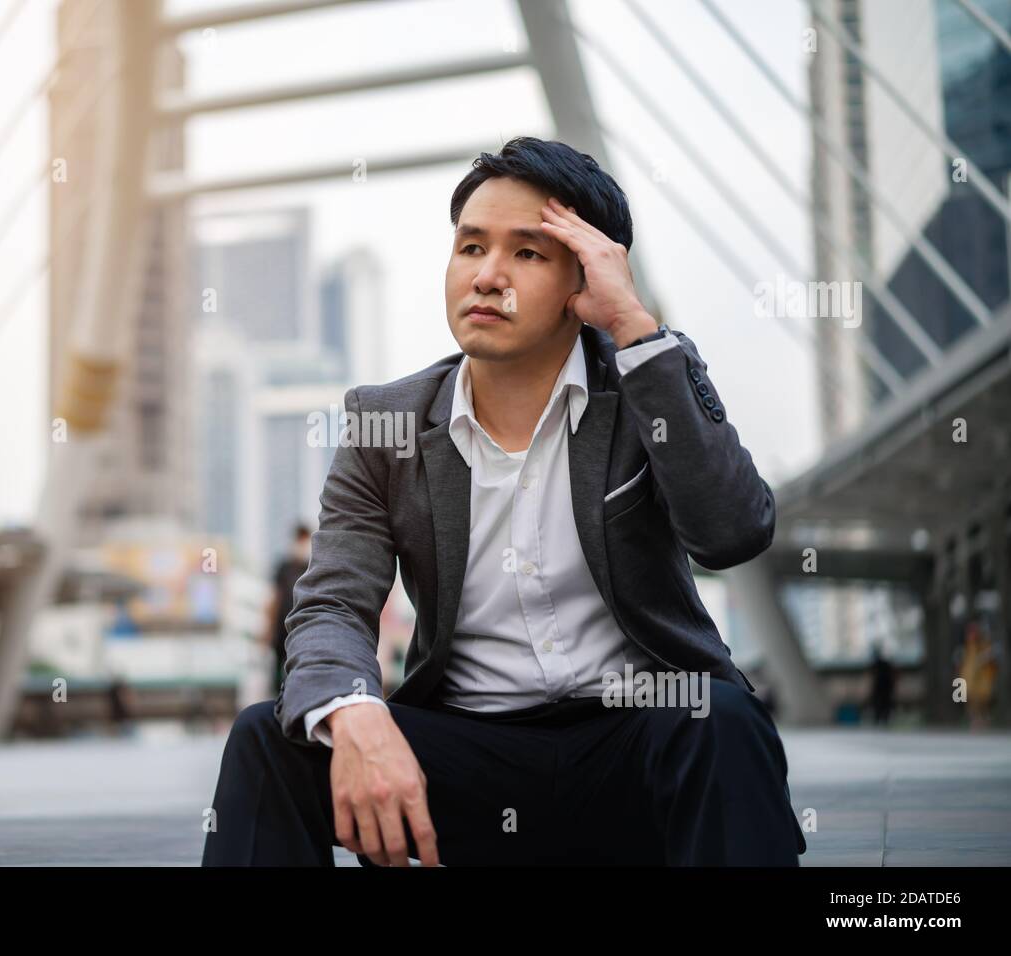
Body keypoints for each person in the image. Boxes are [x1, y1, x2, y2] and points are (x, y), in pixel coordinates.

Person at [202, 137, 806, 867]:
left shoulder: (644, 387)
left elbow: (733, 533)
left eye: (527, 253)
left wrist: (635, 331)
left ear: (585, 280)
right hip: (465, 757)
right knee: (270, 739)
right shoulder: (384, 425)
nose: (487, 276)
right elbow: (331, 602)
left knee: (721, 720)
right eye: (470, 247)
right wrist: (355, 711)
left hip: (638, 743)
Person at [261, 524, 312, 693]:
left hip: (300, 629)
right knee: (276, 673)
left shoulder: (311, 567)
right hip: (280, 629)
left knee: (297, 671)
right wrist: (268, 629)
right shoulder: (284, 567)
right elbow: (275, 597)